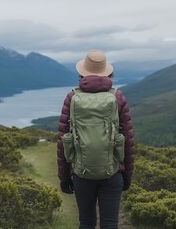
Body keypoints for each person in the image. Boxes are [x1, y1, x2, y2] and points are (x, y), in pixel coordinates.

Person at [57, 49, 135, 229]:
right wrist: (127, 175)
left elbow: (63, 139)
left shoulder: (72, 97)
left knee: (86, 222)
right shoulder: (117, 97)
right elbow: (129, 140)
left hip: (81, 173)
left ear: (82, 72)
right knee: (110, 224)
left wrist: (63, 177)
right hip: (112, 172)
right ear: (107, 72)